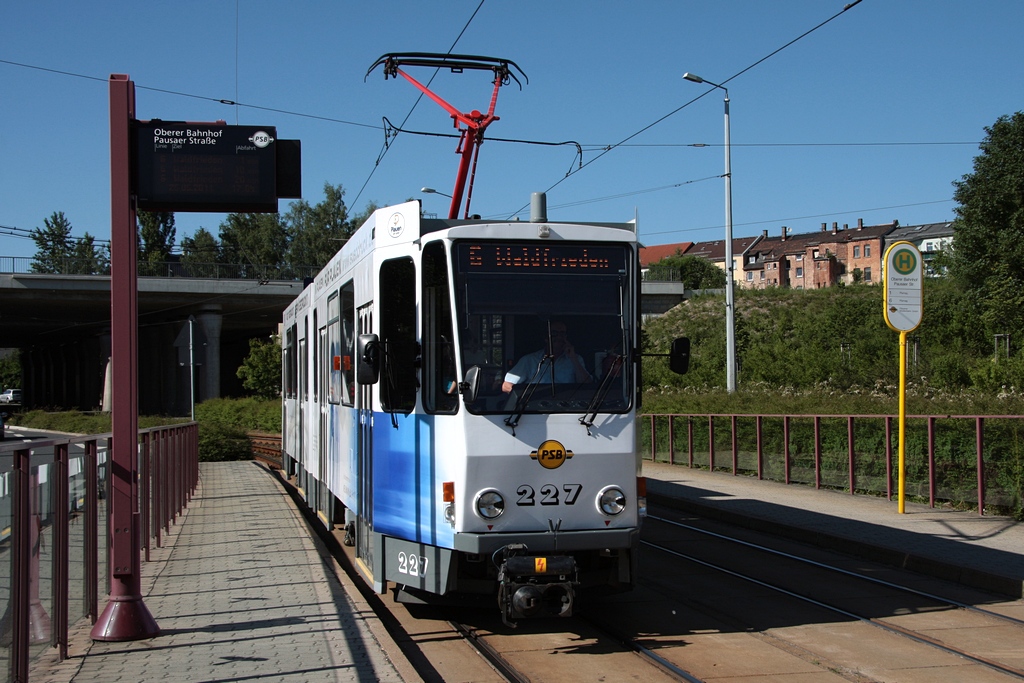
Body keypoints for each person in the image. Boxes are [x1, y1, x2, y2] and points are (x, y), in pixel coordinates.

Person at [501, 321, 591, 393]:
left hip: (566, 409)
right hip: (534, 409)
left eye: (562, 334)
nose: (559, 337)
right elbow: (506, 386)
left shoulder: (576, 359)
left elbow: (587, 385)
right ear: (546, 338)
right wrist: (522, 399)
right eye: (554, 333)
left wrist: (573, 358)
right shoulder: (529, 360)